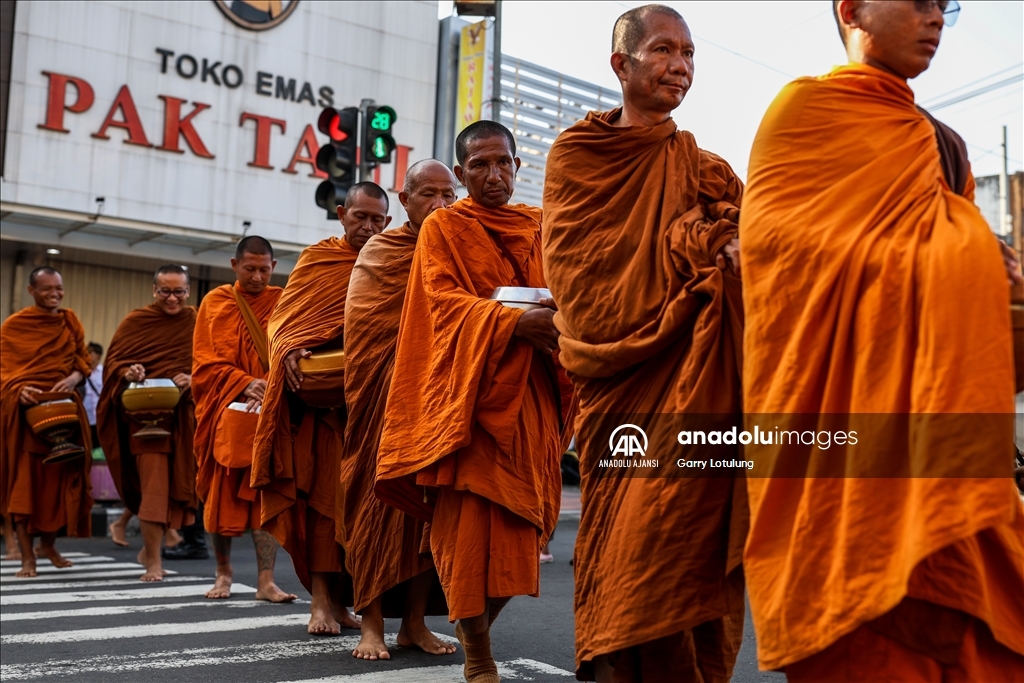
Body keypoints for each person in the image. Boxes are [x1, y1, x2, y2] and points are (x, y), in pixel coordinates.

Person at [739, 1, 1024, 679]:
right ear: (851, 10)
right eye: (919, 0)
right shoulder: (802, 115)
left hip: (941, 442)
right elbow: (779, 260)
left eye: (945, 6)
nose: (936, 18)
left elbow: (948, 261)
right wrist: (969, 252)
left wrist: (991, 269)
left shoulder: (938, 143)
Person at [542, 6, 747, 682]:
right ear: (621, 64)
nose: (680, 65)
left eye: (688, 53)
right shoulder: (579, 155)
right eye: (663, 49)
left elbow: (756, 244)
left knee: (687, 541)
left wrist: (726, 249)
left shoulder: (708, 171)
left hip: (696, 385)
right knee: (627, 545)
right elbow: (580, 280)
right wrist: (697, 258)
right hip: (620, 389)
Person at [376, 121, 573, 683]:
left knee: (528, 528)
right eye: (480, 165)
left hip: (532, 394)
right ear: (462, 174)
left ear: (516, 165)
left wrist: (556, 315)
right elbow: (439, 304)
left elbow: (571, 286)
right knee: (466, 539)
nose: (494, 175)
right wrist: (512, 323)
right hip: (470, 403)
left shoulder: (539, 225)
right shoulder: (444, 227)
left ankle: (475, 631)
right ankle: (478, 654)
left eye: (502, 162)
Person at [252, 181, 390, 635]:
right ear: (341, 214)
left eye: (376, 219)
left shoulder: (392, 259)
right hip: (324, 406)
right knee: (323, 506)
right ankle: (320, 602)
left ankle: (346, 603)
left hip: (372, 404)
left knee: (364, 509)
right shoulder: (318, 260)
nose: (367, 227)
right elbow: (284, 321)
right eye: (359, 217)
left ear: (388, 221)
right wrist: (290, 346)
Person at [340, 160, 458, 661]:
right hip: (381, 403)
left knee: (425, 513)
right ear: (405, 200)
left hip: (435, 400)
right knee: (375, 505)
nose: (440, 204)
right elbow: (364, 329)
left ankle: (414, 623)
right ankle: (371, 625)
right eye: (428, 194)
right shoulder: (382, 251)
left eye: (449, 194)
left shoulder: (460, 247)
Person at [192, 236, 296, 603]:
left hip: (270, 411)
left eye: (264, 270)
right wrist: (243, 383)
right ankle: (223, 574)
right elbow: (203, 363)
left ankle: (266, 581)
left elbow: (291, 352)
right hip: (226, 413)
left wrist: (267, 386)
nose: (257, 277)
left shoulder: (282, 301)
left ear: (274, 267)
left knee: (264, 496)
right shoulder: (216, 302)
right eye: (249, 269)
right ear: (234, 265)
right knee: (220, 497)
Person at [98, 264, 199, 582]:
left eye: (179, 291)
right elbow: (114, 364)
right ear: (154, 290)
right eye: (165, 291)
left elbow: (211, 361)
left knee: (173, 488)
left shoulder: (196, 321)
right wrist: (128, 372)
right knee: (154, 490)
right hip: (144, 419)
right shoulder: (136, 321)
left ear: (188, 291)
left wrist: (194, 378)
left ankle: (149, 550)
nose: (172, 298)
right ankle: (153, 561)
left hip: (181, 418)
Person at [0, 266, 93, 577]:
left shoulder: (69, 321)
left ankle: (49, 545)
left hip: (64, 413)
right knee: (24, 489)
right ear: (32, 291)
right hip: (27, 419)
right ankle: (28, 558)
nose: (55, 294)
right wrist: (18, 389)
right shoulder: (14, 326)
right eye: (47, 289)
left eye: (58, 288)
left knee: (61, 486)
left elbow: (83, 359)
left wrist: (74, 377)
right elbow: (3, 372)